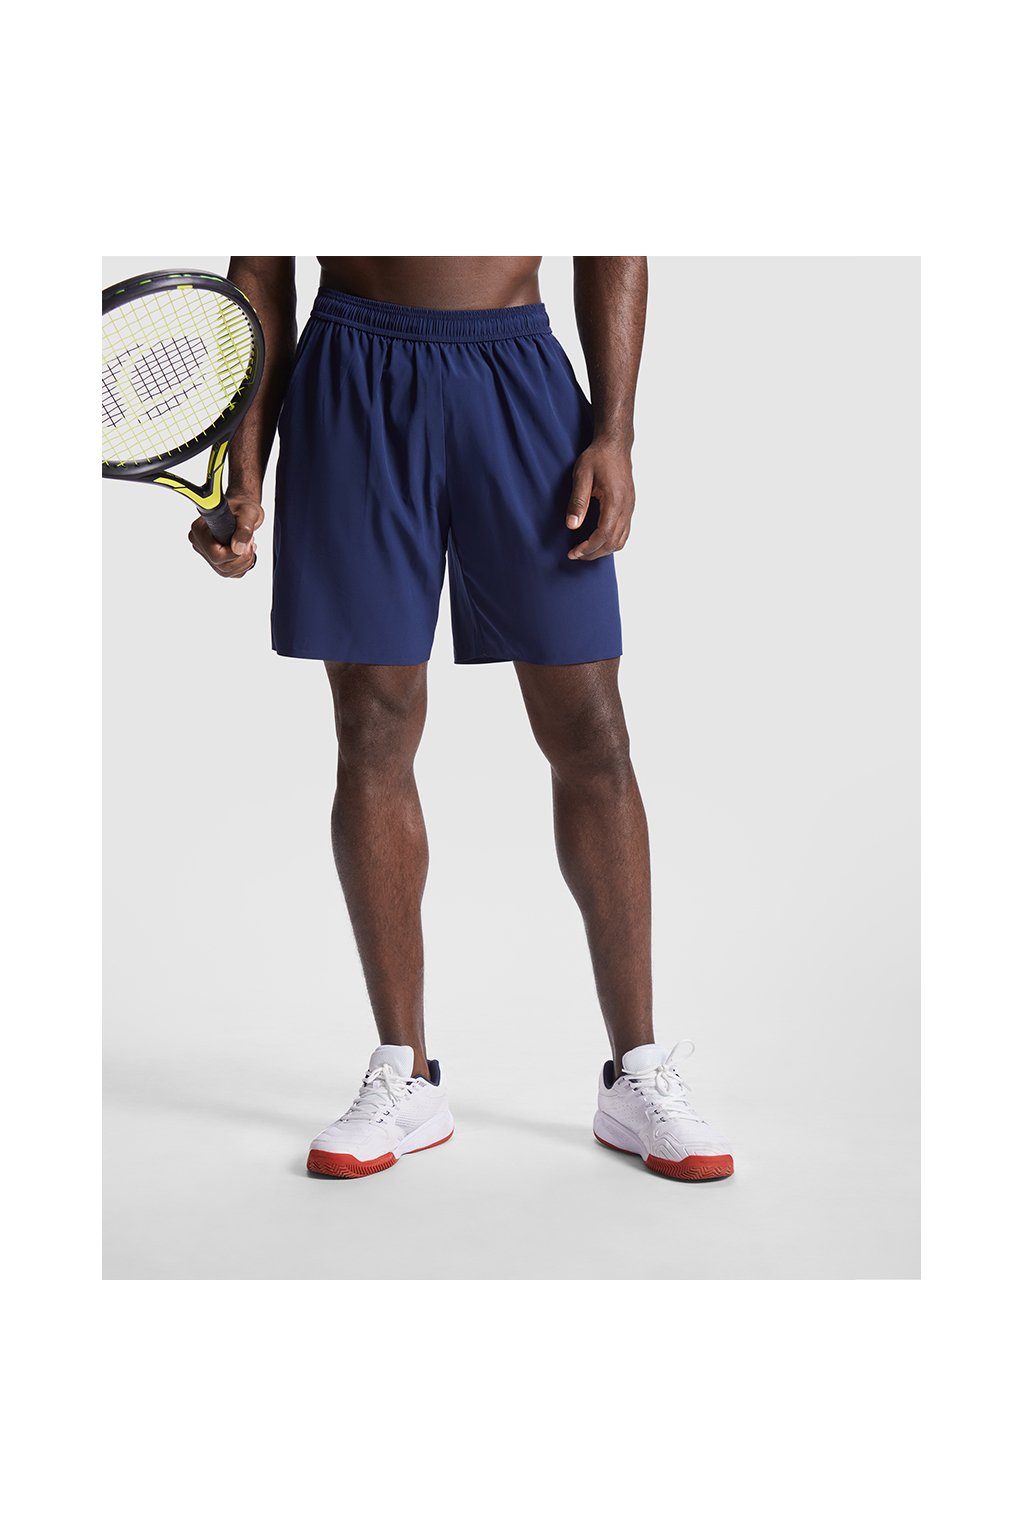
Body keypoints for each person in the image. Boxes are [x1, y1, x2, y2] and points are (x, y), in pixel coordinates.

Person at [189, 256, 733, 1183]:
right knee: (372, 726)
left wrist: (615, 433)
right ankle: (406, 1072)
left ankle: (636, 1070)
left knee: (591, 731)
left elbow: (611, 242)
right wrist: (243, 465)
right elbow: (260, 275)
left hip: (515, 376)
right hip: (352, 375)